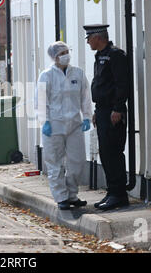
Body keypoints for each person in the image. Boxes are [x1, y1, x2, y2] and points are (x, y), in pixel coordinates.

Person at [37, 41, 93, 210]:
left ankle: (72, 195)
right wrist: (44, 121)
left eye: (67, 51)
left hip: (75, 124)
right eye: (62, 53)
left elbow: (85, 97)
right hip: (53, 125)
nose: (65, 55)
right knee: (55, 163)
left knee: (77, 161)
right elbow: (40, 101)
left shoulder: (78, 73)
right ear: (54, 57)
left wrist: (87, 117)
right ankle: (61, 197)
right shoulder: (46, 75)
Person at [83, 24, 130, 211]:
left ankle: (119, 194)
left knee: (113, 152)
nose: (87, 42)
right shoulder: (100, 56)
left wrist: (118, 108)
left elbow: (121, 83)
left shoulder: (115, 55)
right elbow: (102, 85)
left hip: (113, 111)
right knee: (106, 153)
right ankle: (112, 192)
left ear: (98, 37)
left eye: (89, 38)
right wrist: (97, 110)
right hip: (103, 110)